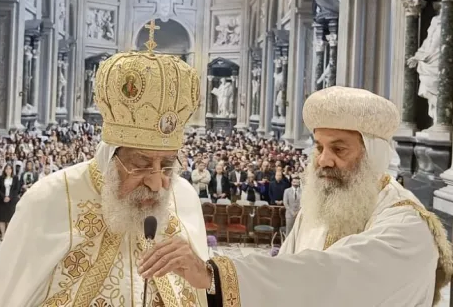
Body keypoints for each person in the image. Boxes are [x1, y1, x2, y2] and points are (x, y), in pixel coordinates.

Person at [138, 86, 453, 307]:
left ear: (374, 155)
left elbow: (329, 275)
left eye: (339, 148)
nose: (323, 160)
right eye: (319, 147)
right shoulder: (322, 209)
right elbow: (288, 275)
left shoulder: (406, 226)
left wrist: (213, 274)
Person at [0, 47, 208, 306]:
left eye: (167, 164)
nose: (157, 184)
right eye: (141, 164)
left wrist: (203, 272)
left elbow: (204, 293)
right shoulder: (49, 200)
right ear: (110, 157)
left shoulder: (185, 196)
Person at [0, 164, 20, 238]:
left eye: (10, 169)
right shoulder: (1, 178)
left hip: (12, 200)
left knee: (10, 218)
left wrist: (9, 197)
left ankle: (8, 235)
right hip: (2, 200)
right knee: (2, 218)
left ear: (12, 170)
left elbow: (17, 189)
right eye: (6, 169)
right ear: (4, 170)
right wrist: (4, 196)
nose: (8, 170)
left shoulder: (15, 178)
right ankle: (3, 234)